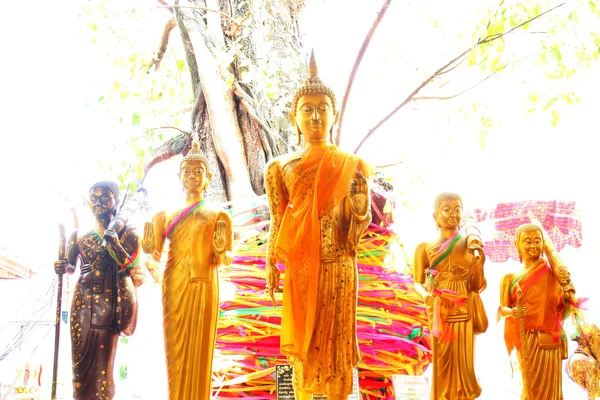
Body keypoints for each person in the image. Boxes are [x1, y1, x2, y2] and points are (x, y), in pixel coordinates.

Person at [264, 51, 372, 400]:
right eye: (306, 109)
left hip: (340, 264)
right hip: (302, 266)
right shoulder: (279, 167)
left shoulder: (351, 164)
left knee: (338, 345)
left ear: (334, 114)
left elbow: (360, 223)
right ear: (294, 117)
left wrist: (359, 209)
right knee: (304, 348)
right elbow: (278, 219)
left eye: (322, 107)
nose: (315, 116)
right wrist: (270, 263)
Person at [142, 134, 233, 400]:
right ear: (179, 176)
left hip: (205, 283)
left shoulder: (218, 214)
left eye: (198, 171)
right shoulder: (164, 214)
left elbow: (228, 257)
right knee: (175, 346)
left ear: (208, 177)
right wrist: (150, 260)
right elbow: (154, 255)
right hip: (174, 282)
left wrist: (220, 252)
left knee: (201, 348)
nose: (192, 176)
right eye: (187, 171)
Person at [54, 181, 142, 400]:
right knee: (80, 363)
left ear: (116, 202)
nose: (99, 202)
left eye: (105, 197)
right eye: (94, 197)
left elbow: (130, 269)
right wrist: (62, 266)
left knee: (104, 365)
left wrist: (112, 241)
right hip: (82, 302)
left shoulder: (127, 234)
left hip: (109, 303)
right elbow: (71, 266)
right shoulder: (78, 234)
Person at [413, 192, 488, 400]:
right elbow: (417, 281)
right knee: (442, 360)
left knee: (465, 360)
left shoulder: (470, 245)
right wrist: (424, 295)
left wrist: (479, 263)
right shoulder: (424, 247)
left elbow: (476, 285)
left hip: (464, 310)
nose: (453, 214)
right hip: (440, 311)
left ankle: (463, 395)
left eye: (457, 209)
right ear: (435, 216)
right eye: (447, 210)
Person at [498, 222, 576, 400]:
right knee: (530, 384)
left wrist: (568, 296)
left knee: (553, 388)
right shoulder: (509, 277)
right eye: (527, 241)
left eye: (537, 241)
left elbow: (561, 308)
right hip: (526, 336)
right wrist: (514, 311)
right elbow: (503, 309)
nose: (533, 246)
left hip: (550, 338)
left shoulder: (553, 274)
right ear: (517, 244)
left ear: (543, 244)